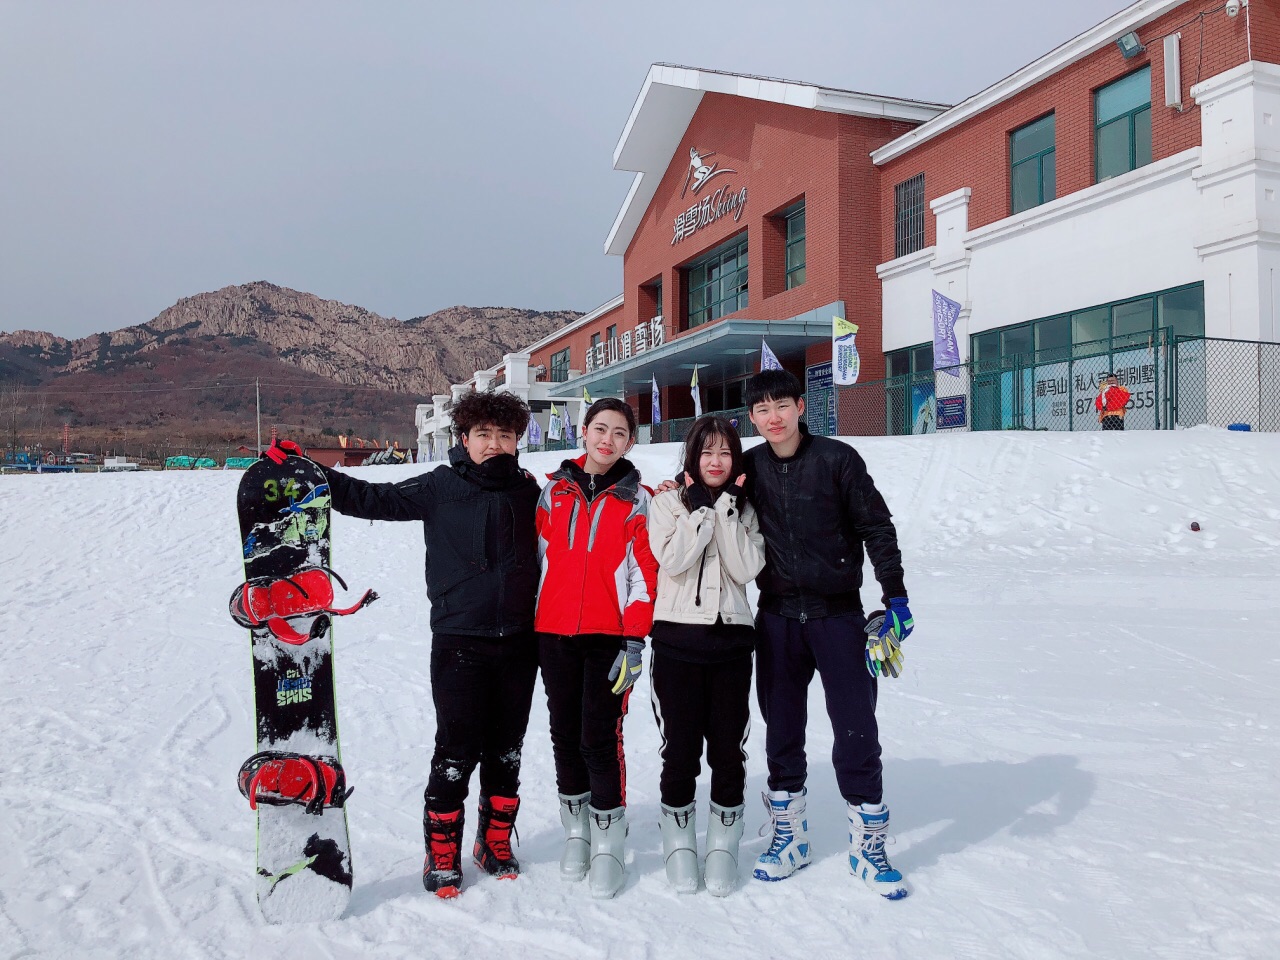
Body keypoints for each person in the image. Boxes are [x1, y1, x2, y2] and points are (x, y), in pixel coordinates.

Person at [318, 390, 542, 899]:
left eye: (504, 435)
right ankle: (442, 853)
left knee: (507, 751)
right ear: (463, 438)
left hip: (520, 644)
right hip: (460, 642)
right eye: (483, 434)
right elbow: (373, 499)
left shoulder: (530, 491)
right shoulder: (440, 486)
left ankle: (495, 843)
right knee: (456, 752)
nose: (494, 444)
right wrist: (313, 473)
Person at [730, 368, 913, 899]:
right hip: (778, 618)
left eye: (781, 405)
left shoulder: (837, 460)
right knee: (781, 728)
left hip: (839, 618)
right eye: (762, 410)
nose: (773, 418)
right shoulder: (751, 466)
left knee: (856, 727)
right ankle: (790, 836)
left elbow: (877, 527)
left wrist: (895, 597)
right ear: (753, 418)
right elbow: (711, 490)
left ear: (800, 406)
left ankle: (867, 844)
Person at [535, 397, 658, 899]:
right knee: (563, 733)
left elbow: (643, 575)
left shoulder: (637, 500)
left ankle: (608, 836)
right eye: (600, 429)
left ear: (630, 442)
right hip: (552, 635)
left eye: (620, 433)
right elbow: (533, 563)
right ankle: (577, 832)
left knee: (598, 737)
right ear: (583, 432)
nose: (608, 440)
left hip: (609, 639)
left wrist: (634, 637)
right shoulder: (550, 493)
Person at [646, 415, 765, 896]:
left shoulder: (746, 508)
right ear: (693, 456)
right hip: (677, 645)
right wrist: (699, 511)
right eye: (706, 452)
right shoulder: (666, 503)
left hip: (731, 645)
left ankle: (722, 843)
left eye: (725, 453)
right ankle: (679, 842)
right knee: (679, 750)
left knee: (727, 751)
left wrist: (727, 511)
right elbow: (673, 560)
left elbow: (746, 567)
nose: (715, 462)